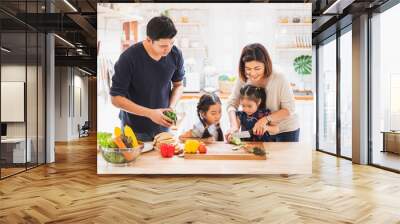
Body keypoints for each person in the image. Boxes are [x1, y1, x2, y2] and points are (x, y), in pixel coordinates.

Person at [110, 16, 185, 141]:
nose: (168, 49)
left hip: (163, 127)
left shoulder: (176, 54)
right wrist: (150, 113)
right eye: (163, 46)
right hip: (133, 130)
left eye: (172, 43)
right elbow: (116, 99)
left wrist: (171, 107)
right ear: (149, 40)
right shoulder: (128, 58)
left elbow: (178, 85)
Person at [225, 43, 300, 142]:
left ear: (266, 64)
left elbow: (289, 109)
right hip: (261, 132)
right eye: (248, 69)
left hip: (285, 130)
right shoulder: (243, 78)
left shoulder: (278, 77)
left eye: (257, 68)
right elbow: (232, 104)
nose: (252, 74)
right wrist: (234, 126)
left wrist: (265, 120)